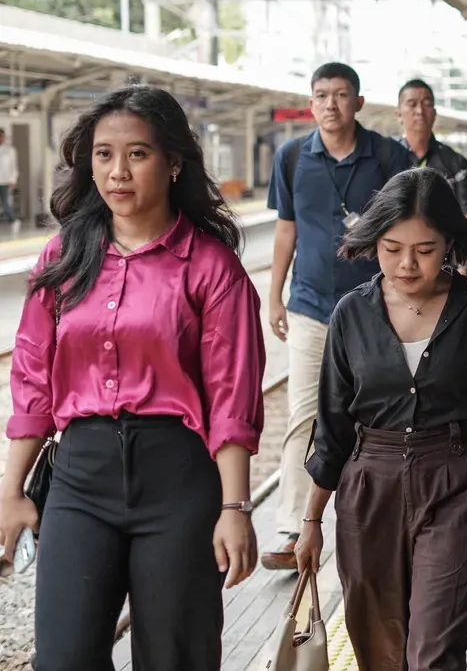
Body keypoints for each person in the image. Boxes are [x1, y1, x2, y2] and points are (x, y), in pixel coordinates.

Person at [0, 86, 266, 670]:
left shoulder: (211, 266)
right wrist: (11, 490)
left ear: (173, 163)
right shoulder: (62, 257)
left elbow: (232, 397)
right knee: (63, 659)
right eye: (103, 154)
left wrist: (235, 506)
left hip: (178, 482)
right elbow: (33, 377)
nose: (117, 171)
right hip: (80, 479)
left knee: (175, 657)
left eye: (137, 154)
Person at [293, 168, 467, 669]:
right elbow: (332, 428)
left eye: (425, 250)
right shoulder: (351, 314)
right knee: (381, 654)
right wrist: (311, 521)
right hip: (369, 489)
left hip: (455, 482)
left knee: (434, 653)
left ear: (449, 243)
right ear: (374, 242)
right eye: (392, 249)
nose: (407, 264)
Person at [263, 62, 413, 571]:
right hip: (310, 306)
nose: (331, 104)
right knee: (304, 413)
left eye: (341, 94)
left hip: (375, 309)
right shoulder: (291, 158)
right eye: (322, 95)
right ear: (311, 104)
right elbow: (286, 230)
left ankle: (379, 517)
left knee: (377, 413)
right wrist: (274, 296)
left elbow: (407, 228)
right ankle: (291, 526)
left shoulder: (388, 157)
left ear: (358, 102)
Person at [397, 78, 467, 223]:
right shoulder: (386, 160)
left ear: (434, 113)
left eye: (427, 104)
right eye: (412, 104)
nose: (420, 111)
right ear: (398, 114)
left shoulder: (456, 163)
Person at [0, 127, 18, 224]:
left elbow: (14, 166)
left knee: (6, 203)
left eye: (2, 136)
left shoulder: (10, 150)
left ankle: (12, 219)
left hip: (5, 181)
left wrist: (13, 180)